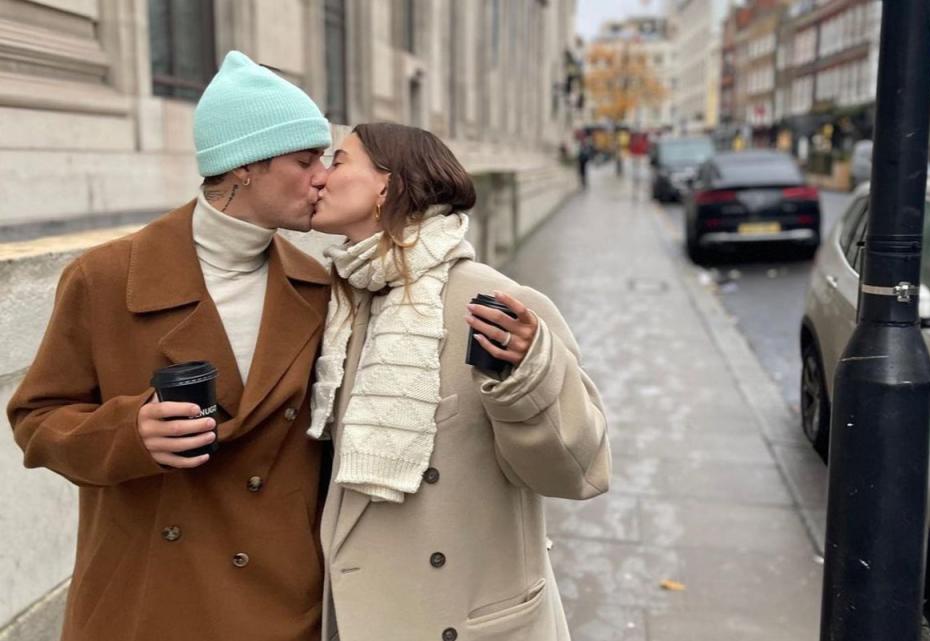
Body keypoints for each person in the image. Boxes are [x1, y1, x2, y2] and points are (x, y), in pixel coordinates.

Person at [7, 51, 333, 641]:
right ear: (243, 167)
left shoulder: (319, 289)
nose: (322, 177)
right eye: (305, 159)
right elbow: (36, 419)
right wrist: (132, 432)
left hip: (285, 598)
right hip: (151, 594)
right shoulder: (106, 278)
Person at [307, 122, 611, 641]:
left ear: (387, 184)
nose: (318, 177)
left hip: (464, 619)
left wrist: (529, 374)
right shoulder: (345, 303)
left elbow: (577, 472)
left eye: (337, 161)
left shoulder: (489, 301)